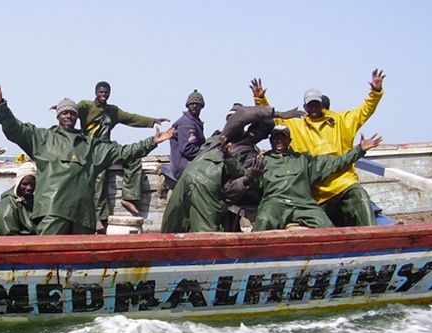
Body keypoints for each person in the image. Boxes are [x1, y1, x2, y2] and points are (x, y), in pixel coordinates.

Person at [0, 81, 174, 235]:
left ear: (78, 117)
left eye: (72, 112)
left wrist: (152, 142)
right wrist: (0, 104)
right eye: (64, 112)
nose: (68, 115)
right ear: (58, 115)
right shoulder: (42, 138)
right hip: (52, 211)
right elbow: (14, 128)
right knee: (49, 262)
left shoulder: (90, 146)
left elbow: (124, 152)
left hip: (83, 216)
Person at [250, 69, 385, 226]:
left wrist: (375, 92)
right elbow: (274, 121)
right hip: (316, 194)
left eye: (316, 104)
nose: (313, 108)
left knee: (360, 197)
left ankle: (371, 240)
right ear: (305, 107)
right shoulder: (296, 127)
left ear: (322, 104)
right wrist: (260, 99)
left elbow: (364, 111)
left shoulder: (341, 120)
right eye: (310, 105)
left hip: (343, 183)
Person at [161, 104, 302, 233]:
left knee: (180, 228)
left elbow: (238, 179)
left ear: (265, 136)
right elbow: (244, 114)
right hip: (199, 179)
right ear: (249, 126)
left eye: (261, 130)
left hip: (202, 181)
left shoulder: (250, 155)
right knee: (177, 229)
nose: (256, 131)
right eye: (255, 126)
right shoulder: (228, 135)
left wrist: (247, 174)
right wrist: (277, 113)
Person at [244, 125, 383, 231]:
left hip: (303, 204)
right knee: (263, 220)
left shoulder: (304, 159)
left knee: (327, 226)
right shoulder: (262, 160)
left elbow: (336, 162)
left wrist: (359, 150)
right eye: (276, 137)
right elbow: (245, 181)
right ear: (271, 141)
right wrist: (250, 174)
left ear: (289, 140)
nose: (279, 140)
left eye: (283, 137)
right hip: (275, 203)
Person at [77, 81, 170, 228]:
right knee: (99, 177)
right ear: (96, 92)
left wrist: (152, 121)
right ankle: (99, 218)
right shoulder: (86, 106)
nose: (104, 95)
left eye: (106, 92)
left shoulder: (112, 111)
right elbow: (74, 109)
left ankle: (128, 197)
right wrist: (63, 108)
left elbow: (131, 118)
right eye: (101, 92)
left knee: (133, 158)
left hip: (107, 145)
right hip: (91, 148)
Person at [168, 89, 206, 181]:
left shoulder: (194, 121)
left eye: (197, 104)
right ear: (187, 105)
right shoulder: (186, 123)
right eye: (192, 104)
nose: (194, 106)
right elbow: (188, 149)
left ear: (202, 106)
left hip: (189, 164)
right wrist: (206, 153)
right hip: (184, 167)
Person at [0, 161, 37, 236]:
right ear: (18, 183)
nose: (29, 188)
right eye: (25, 184)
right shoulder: (9, 202)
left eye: (32, 184)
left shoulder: (35, 201)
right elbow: (7, 233)